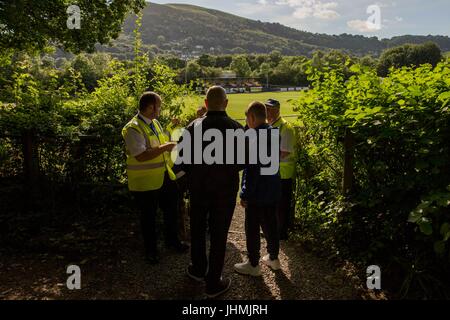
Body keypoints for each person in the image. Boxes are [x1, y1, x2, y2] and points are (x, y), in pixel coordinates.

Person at [181, 86, 243, 298]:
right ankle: (213, 282)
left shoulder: (192, 127)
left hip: (198, 189)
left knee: (197, 230)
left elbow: (181, 161)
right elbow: (243, 161)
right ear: (226, 103)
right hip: (224, 191)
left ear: (205, 104)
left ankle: (198, 269)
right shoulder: (236, 127)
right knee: (219, 235)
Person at [122, 92, 189, 265]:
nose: (160, 108)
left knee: (171, 211)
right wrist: (167, 146)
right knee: (149, 217)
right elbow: (141, 156)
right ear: (150, 107)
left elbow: (158, 142)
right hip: (145, 182)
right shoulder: (133, 128)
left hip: (164, 176)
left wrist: (171, 132)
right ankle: (151, 251)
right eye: (158, 105)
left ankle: (172, 241)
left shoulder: (155, 123)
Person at [234, 102, 282, 277]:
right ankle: (274, 258)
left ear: (252, 117)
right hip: (273, 188)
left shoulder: (253, 137)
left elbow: (252, 170)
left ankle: (253, 264)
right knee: (271, 224)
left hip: (258, 192)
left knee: (252, 227)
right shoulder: (274, 132)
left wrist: (244, 193)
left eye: (247, 118)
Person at [265, 99, 296, 240]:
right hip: (272, 172)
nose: (267, 112)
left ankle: (281, 233)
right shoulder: (269, 125)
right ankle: (273, 231)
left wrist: (263, 157)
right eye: (266, 108)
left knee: (282, 206)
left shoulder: (285, 127)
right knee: (272, 204)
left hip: (283, 174)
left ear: (277, 110)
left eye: (270, 109)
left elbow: (284, 152)